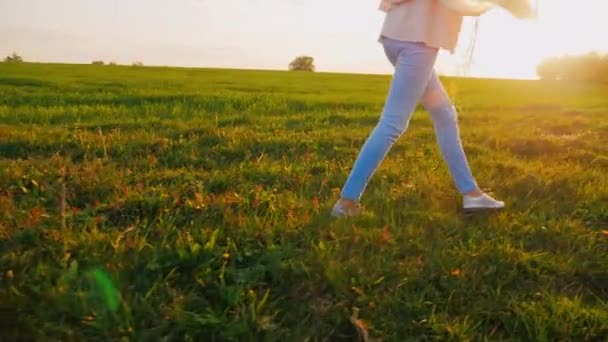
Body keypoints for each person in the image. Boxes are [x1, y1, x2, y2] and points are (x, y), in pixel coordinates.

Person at [331, 0, 510, 217]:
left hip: (396, 38)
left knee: (444, 114)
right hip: (418, 43)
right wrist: (492, 4)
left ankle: (471, 194)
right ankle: (346, 202)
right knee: (392, 123)